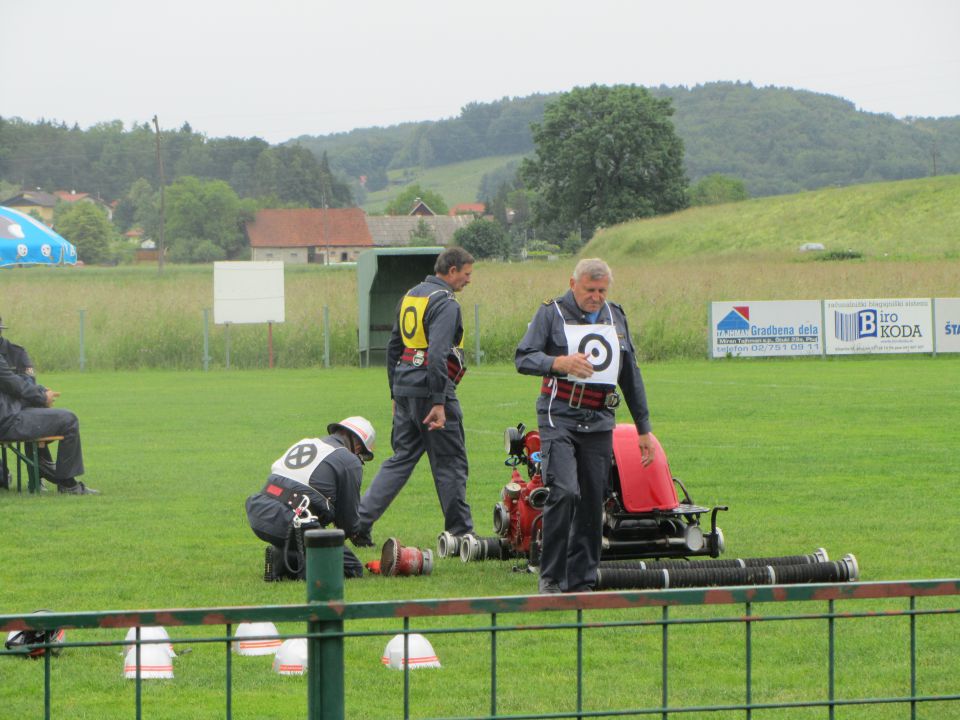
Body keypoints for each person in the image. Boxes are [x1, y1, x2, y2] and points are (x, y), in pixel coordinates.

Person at [515, 258, 655, 593]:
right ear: (573, 283)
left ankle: (582, 581)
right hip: (558, 415)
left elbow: (630, 376)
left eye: (602, 290)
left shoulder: (615, 315)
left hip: (600, 420)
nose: (595, 296)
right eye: (589, 290)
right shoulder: (551, 313)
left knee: (594, 500)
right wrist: (557, 362)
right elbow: (523, 357)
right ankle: (550, 577)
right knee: (564, 491)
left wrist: (644, 429)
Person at [356, 247, 476, 545]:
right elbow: (437, 354)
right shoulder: (446, 303)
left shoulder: (411, 295)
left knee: (400, 459)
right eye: (466, 274)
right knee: (449, 462)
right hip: (431, 390)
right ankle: (460, 532)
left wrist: (394, 391)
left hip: (405, 387)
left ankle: (358, 522)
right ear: (451, 271)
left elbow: (394, 346)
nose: (468, 281)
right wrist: (438, 402)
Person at [245, 416, 376, 579]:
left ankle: (283, 556)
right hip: (290, 521)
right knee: (352, 569)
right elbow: (348, 521)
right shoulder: (349, 460)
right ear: (357, 445)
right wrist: (359, 536)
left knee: (311, 536)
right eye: (361, 454)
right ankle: (292, 561)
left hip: (259, 510)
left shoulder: (308, 442)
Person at [0, 317, 96, 495]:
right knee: (68, 419)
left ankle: (42, 469)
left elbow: (19, 384)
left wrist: (36, 394)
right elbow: (14, 384)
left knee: (42, 412)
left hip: (9, 413)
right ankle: (67, 484)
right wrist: (42, 396)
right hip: (6, 420)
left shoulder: (16, 352)